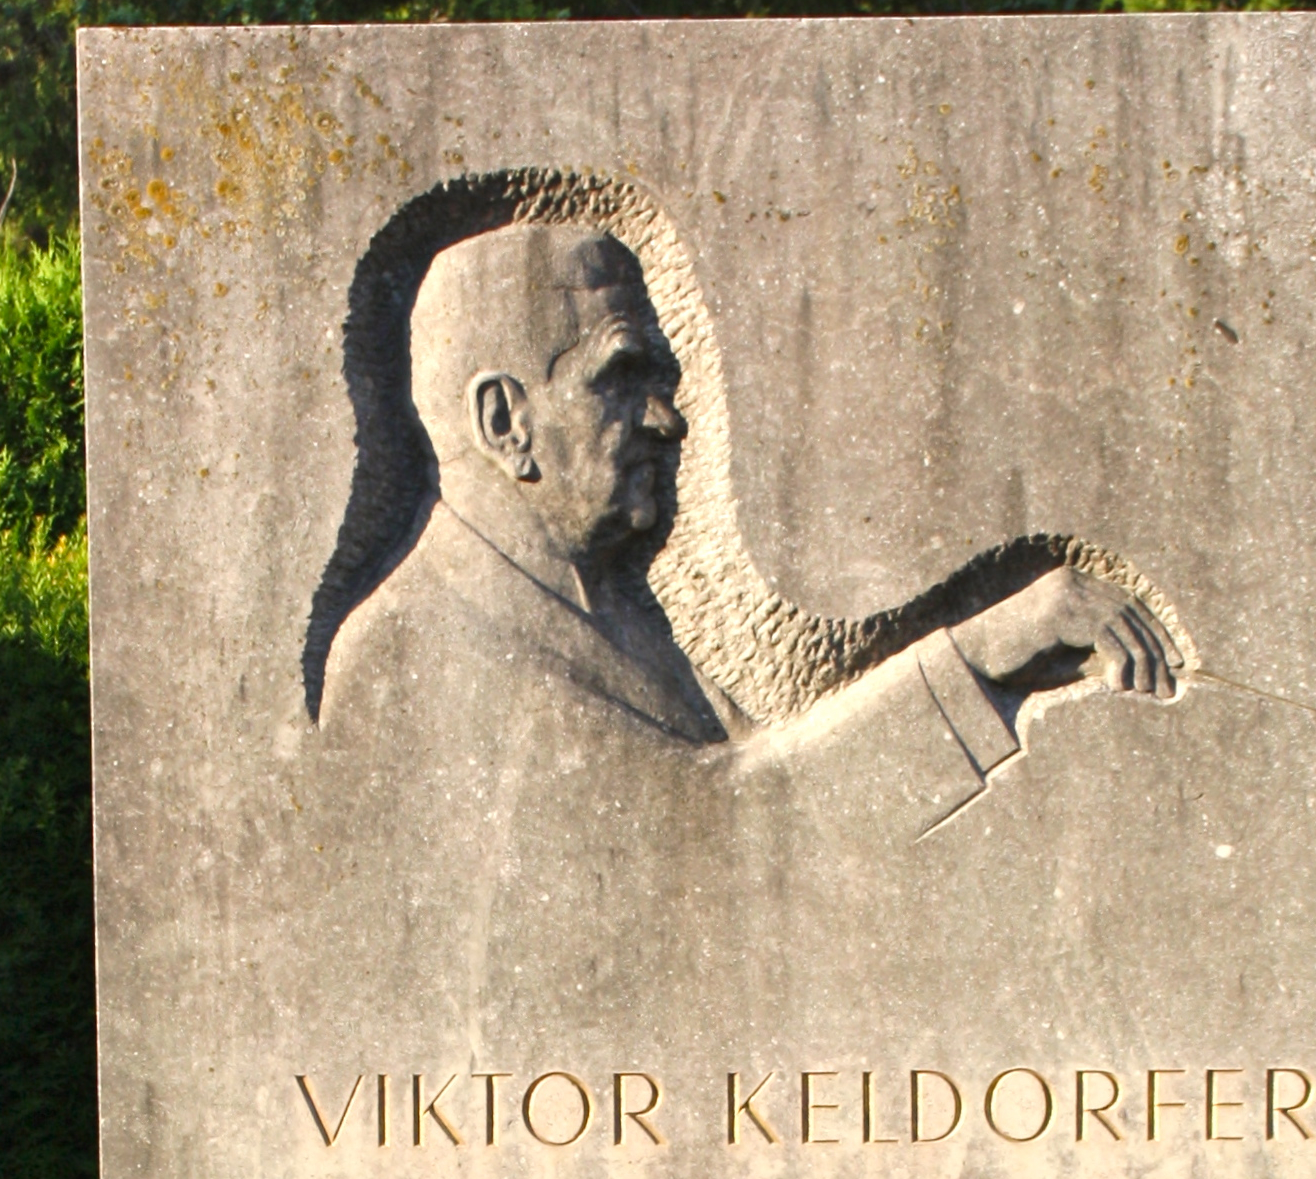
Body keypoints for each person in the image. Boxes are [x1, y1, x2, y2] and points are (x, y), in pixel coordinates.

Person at [316, 223, 1177, 834]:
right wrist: (982, 652)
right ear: (506, 420)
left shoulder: (620, 618)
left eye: (664, 380)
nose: (667, 421)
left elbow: (766, 768)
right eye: (621, 377)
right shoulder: (412, 646)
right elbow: (717, 841)